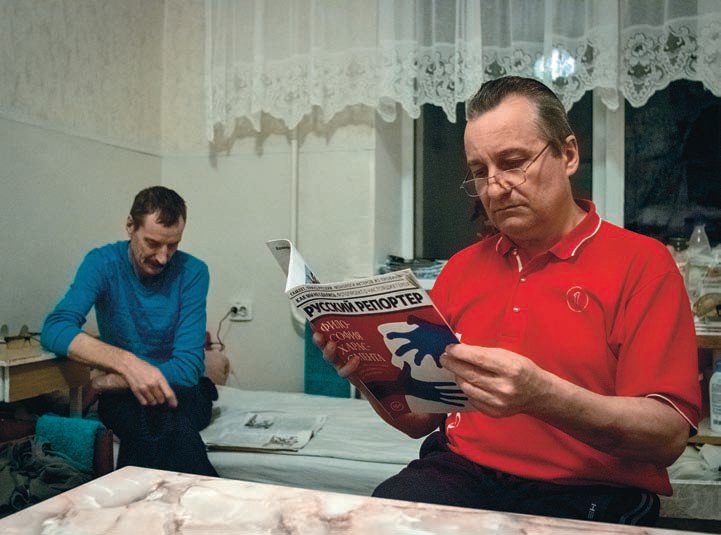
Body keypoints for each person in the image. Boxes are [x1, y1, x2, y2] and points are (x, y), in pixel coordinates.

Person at [314, 76, 701, 526]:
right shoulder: (462, 268)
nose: (495, 188)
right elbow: (420, 421)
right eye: (480, 171)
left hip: (589, 488)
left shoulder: (643, 264)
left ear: (568, 155)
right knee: (372, 521)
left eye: (513, 163)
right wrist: (367, 374)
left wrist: (542, 396)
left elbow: (667, 438)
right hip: (464, 470)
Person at [41, 186, 218, 476]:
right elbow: (55, 328)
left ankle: (126, 502)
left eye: (173, 245)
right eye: (152, 243)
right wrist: (127, 363)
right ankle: (215, 499)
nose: (163, 257)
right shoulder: (102, 263)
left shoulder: (193, 272)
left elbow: (187, 369)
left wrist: (107, 382)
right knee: (160, 425)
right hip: (127, 401)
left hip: (182, 392)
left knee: (157, 422)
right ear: (130, 226)